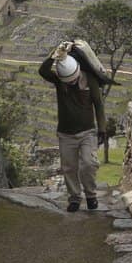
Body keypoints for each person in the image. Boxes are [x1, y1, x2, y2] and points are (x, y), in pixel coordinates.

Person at [38, 42, 106, 212]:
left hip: (87, 131)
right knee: (69, 168)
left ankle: (91, 195)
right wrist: (53, 55)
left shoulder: (90, 80)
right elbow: (43, 71)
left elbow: (98, 104)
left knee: (89, 164)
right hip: (65, 133)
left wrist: (102, 128)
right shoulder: (60, 80)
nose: (70, 82)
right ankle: (74, 198)